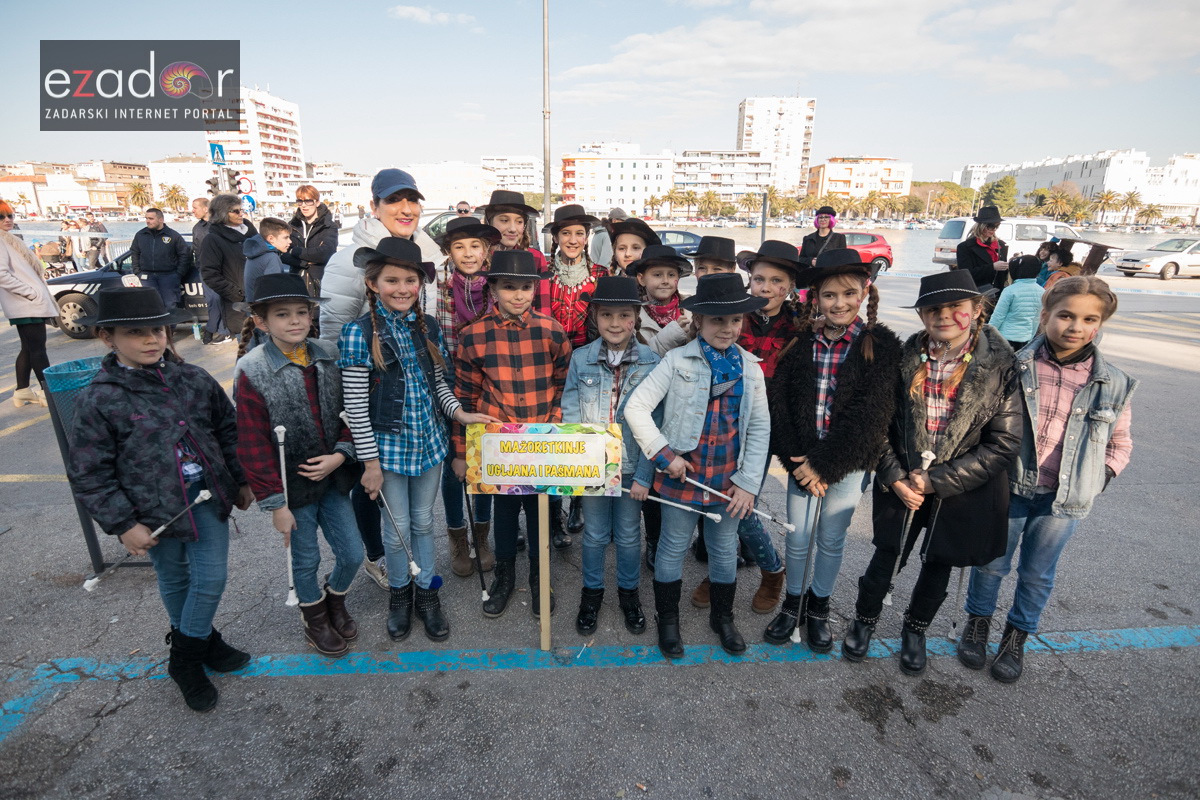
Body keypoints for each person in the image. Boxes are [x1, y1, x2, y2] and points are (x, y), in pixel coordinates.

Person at [67, 287, 254, 712]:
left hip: (203, 497)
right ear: (107, 338)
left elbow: (228, 429)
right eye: (137, 334)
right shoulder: (100, 397)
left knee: (210, 578)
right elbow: (89, 470)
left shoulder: (193, 378)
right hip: (150, 511)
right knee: (174, 578)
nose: (152, 340)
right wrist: (122, 523)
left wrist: (240, 480)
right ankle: (205, 643)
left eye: (158, 330)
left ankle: (183, 659)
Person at [841, 270, 1021, 676]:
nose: (944, 316)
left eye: (956, 306)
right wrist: (895, 476)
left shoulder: (1002, 367)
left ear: (977, 310)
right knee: (887, 556)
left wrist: (937, 480)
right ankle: (864, 620)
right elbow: (878, 424)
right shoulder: (903, 359)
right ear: (922, 314)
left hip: (960, 489)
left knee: (938, 565)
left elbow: (1004, 444)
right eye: (933, 308)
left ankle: (915, 630)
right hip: (901, 482)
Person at [959, 276, 1135, 683]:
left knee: (1038, 573)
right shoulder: (1014, 366)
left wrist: (1100, 477)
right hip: (1011, 487)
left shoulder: (1114, 383)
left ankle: (1016, 637)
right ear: (1045, 316)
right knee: (991, 563)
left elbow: (1120, 442)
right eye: (1066, 315)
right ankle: (978, 623)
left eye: (1089, 319)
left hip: (1063, 498)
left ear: (1100, 324)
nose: (1075, 326)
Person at [338, 238, 493, 642]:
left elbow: (437, 384)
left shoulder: (426, 327)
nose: (403, 288)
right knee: (397, 529)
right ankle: (400, 596)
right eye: (392, 280)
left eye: (411, 280)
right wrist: (369, 463)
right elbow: (355, 406)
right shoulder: (358, 334)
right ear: (373, 284)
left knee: (424, 522)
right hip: (386, 451)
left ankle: (427, 593)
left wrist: (459, 413)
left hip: (429, 445)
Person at [625, 273, 772, 659]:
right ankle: (668, 620)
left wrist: (748, 483)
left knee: (724, 550)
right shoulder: (676, 361)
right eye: (718, 320)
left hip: (727, 481)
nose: (728, 328)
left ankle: (723, 618)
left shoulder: (751, 369)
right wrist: (664, 455)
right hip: (683, 478)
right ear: (699, 323)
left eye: (735, 320)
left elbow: (759, 429)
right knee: (672, 547)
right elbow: (637, 408)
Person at [764, 248, 902, 650]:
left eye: (847, 293)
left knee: (831, 537)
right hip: (801, 461)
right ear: (815, 299)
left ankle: (818, 605)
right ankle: (792, 603)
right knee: (798, 535)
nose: (838, 303)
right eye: (828, 295)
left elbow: (871, 415)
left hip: (846, 464)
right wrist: (797, 460)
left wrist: (824, 465)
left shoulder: (880, 344)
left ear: (863, 294)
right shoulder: (801, 341)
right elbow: (781, 403)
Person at [234, 273, 363, 658]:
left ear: (312, 316)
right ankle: (314, 616)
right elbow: (253, 443)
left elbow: (351, 412)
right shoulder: (251, 370)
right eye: (282, 315)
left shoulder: (329, 354)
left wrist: (342, 453)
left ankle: (335, 599)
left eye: (301, 313)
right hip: (293, 489)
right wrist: (276, 504)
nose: (294, 321)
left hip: (334, 476)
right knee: (304, 557)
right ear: (261, 321)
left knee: (353, 553)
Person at [320, 169, 428, 593]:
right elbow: (334, 333)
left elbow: (418, 318)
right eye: (394, 201)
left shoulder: (420, 248)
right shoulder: (350, 260)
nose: (406, 209)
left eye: (412, 201)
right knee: (370, 483)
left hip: (408, 395)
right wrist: (351, 396)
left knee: (408, 508)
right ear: (374, 207)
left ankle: (405, 565)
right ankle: (376, 557)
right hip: (367, 391)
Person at [450, 250, 572, 618]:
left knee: (540, 511)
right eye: (509, 287)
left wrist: (553, 425)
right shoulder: (473, 337)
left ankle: (540, 576)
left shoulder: (551, 330)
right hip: (497, 442)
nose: (518, 295)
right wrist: (459, 452)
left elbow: (563, 385)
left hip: (542, 438)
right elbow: (465, 398)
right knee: (503, 512)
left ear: (535, 289)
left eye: (525, 288)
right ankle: (505, 575)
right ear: (494, 289)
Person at [561, 276, 660, 636]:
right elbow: (571, 413)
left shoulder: (652, 361)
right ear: (595, 318)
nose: (615, 324)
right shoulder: (581, 359)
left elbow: (655, 424)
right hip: (593, 466)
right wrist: (576, 468)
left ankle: (629, 593)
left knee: (630, 533)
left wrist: (647, 476)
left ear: (636, 316)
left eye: (623, 315)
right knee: (594, 535)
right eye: (606, 316)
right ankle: (592, 592)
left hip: (634, 467)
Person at [434, 215, 501, 578]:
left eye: (475, 245)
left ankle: (482, 533)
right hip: (449, 373)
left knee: (484, 457)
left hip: (489, 375)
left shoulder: (496, 283)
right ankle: (458, 535)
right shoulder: (437, 285)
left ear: (486, 249)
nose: (468, 253)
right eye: (459, 246)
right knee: (454, 463)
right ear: (449, 251)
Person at [545, 203, 607, 546]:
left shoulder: (601, 273)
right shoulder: (542, 275)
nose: (572, 239)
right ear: (556, 237)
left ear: (587, 238)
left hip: (587, 366)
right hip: (548, 367)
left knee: (583, 434)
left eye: (579, 233)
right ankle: (553, 514)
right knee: (553, 436)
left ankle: (578, 504)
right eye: (566, 233)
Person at [0, 201, 57, 408]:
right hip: (25, 303)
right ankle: (47, 392)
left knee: (29, 348)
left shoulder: (9, 240)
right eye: (2, 217)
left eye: (10, 215)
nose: (7, 220)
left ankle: (22, 390)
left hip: (25, 303)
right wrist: (30, 293)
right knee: (38, 349)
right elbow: (1, 275)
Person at [198, 194, 258, 339]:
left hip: (261, 298)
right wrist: (237, 294)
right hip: (239, 305)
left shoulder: (252, 233)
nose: (241, 214)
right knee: (247, 347)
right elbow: (210, 275)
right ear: (223, 214)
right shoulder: (213, 240)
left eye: (241, 210)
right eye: (235, 211)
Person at [480, 189, 550, 311]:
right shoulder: (478, 258)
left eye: (519, 221)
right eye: (504, 220)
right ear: (489, 222)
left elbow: (543, 307)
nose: (513, 229)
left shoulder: (535, 258)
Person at [628, 245, 692, 356]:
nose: (666, 281)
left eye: (671, 275)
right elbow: (640, 357)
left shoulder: (692, 309)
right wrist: (670, 335)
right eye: (657, 275)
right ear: (641, 279)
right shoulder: (631, 315)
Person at [284, 185, 339, 304]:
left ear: (317, 202)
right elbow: (283, 252)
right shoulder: (292, 226)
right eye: (300, 201)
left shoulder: (328, 226)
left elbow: (325, 253)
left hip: (320, 285)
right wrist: (306, 262)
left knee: (318, 320)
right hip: (296, 284)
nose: (304, 205)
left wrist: (295, 252)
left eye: (308, 201)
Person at [130, 208, 190, 308]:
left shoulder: (173, 235)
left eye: (151, 218)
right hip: (147, 277)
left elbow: (185, 255)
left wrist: (178, 273)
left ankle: (169, 325)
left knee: (169, 305)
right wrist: (137, 271)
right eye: (146, 218)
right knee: (152, 306)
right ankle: (157, 325)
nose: (148, 221)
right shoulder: (140, 235)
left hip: (168, 276)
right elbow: (135, 253)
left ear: (161, 219)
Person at [192, 198, 230, 345]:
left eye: (195, 207)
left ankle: (218, 330)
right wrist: (199, 266)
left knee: (219, 300)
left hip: (221, 270)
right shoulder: (197, 227)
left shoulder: (220, 225)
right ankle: (219, 330)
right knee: (211, 301)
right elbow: (196, 249)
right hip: (205, 270)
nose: (193, 210)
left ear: (206, 209)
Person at [989, 254, 1044, 350]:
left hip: (1005, 337)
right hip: (1025, 338)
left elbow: (998, 315)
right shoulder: (1042, 292)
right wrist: (1031, 337)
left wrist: (988, 334)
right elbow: (1037, 318)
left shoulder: (1010, 290)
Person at [955, 205, 1009, 295]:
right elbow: (966, 274)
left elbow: (1003, 275)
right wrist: (992, 267)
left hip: (998, 293)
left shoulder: (1001, 245)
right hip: (977, 293)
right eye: (990, 226)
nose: (994, 229)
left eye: (997, 226)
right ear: (981, 226)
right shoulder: (965, 247)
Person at [242, 217, 292, 304]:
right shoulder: (271, 258)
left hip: (253, 307)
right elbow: (273, 293)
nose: (290, 241)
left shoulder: (255, 253)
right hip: (265, 311)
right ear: (271, 239)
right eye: (285, 237)